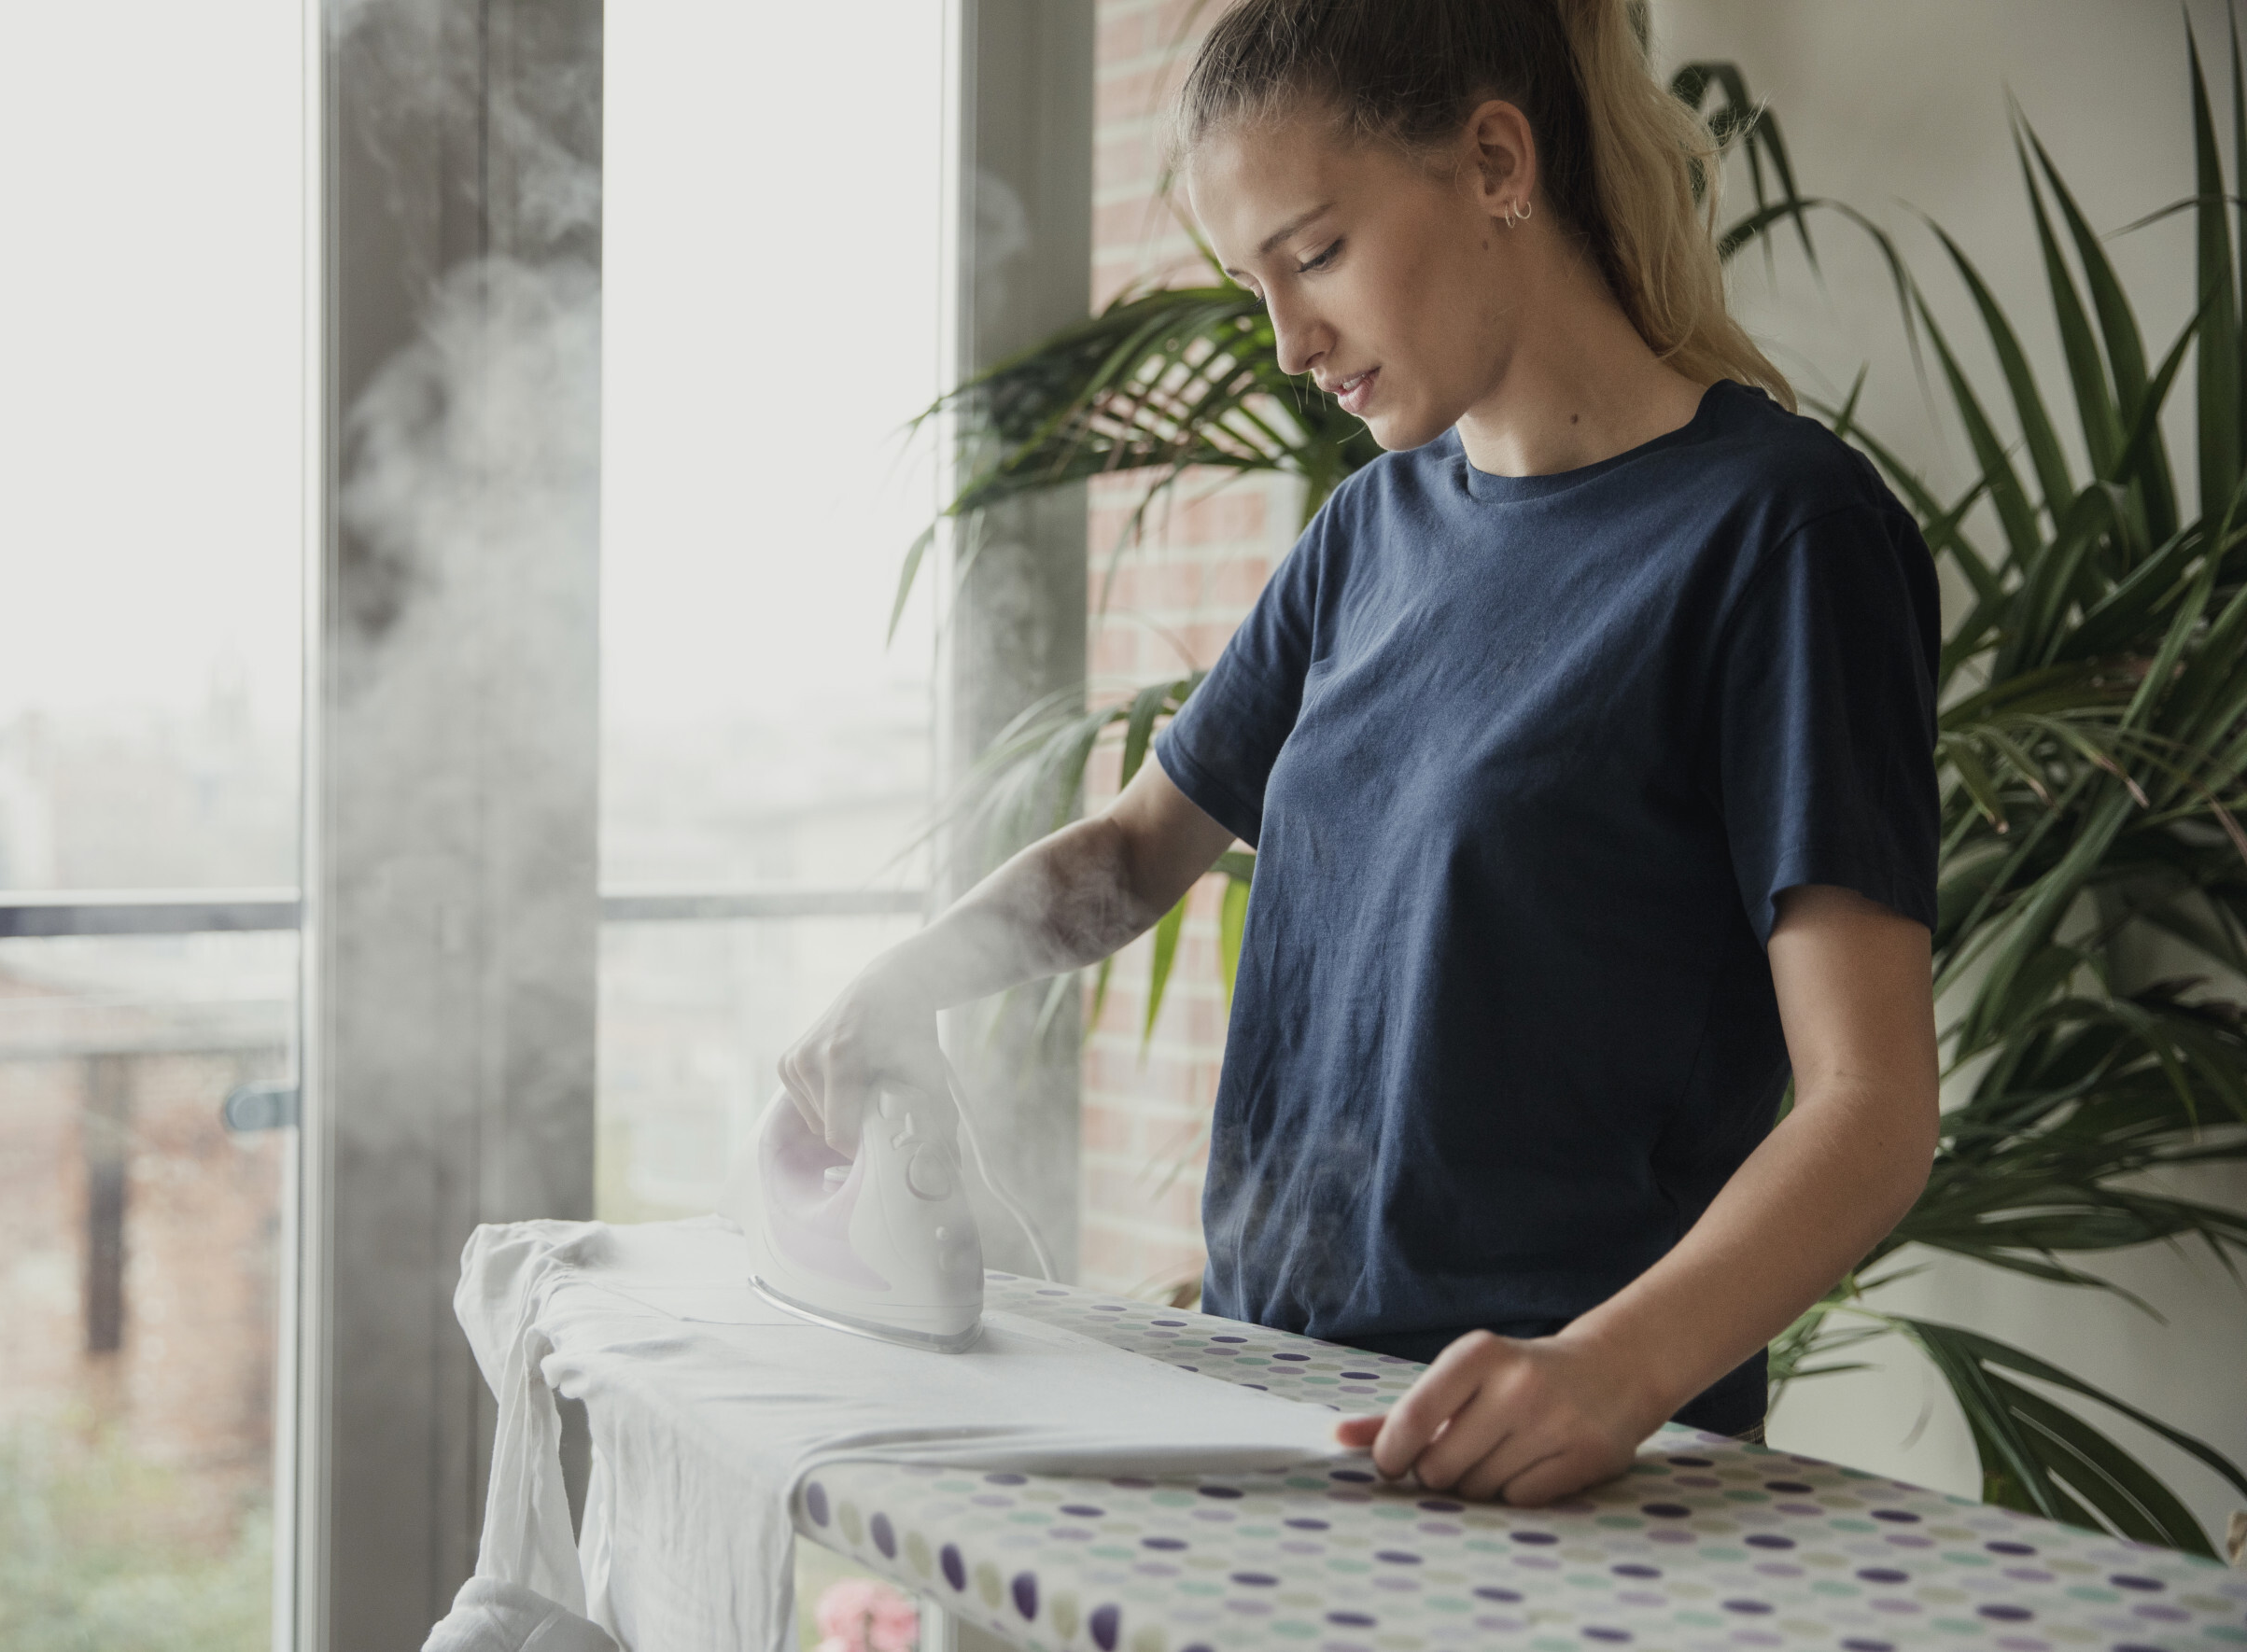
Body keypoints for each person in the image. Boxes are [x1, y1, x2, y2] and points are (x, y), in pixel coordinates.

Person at [779, 0, 1941, 1506]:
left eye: (1314, 253)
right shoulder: (1365, 537)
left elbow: (1872, 1108)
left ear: (1497, 163)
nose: (1286, 342)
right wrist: (904, 980)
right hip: (1281, 1417)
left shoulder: (1778, 534)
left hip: (1563, 1471)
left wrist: (1608, 1369)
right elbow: (1137, 850)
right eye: (1252, 284)